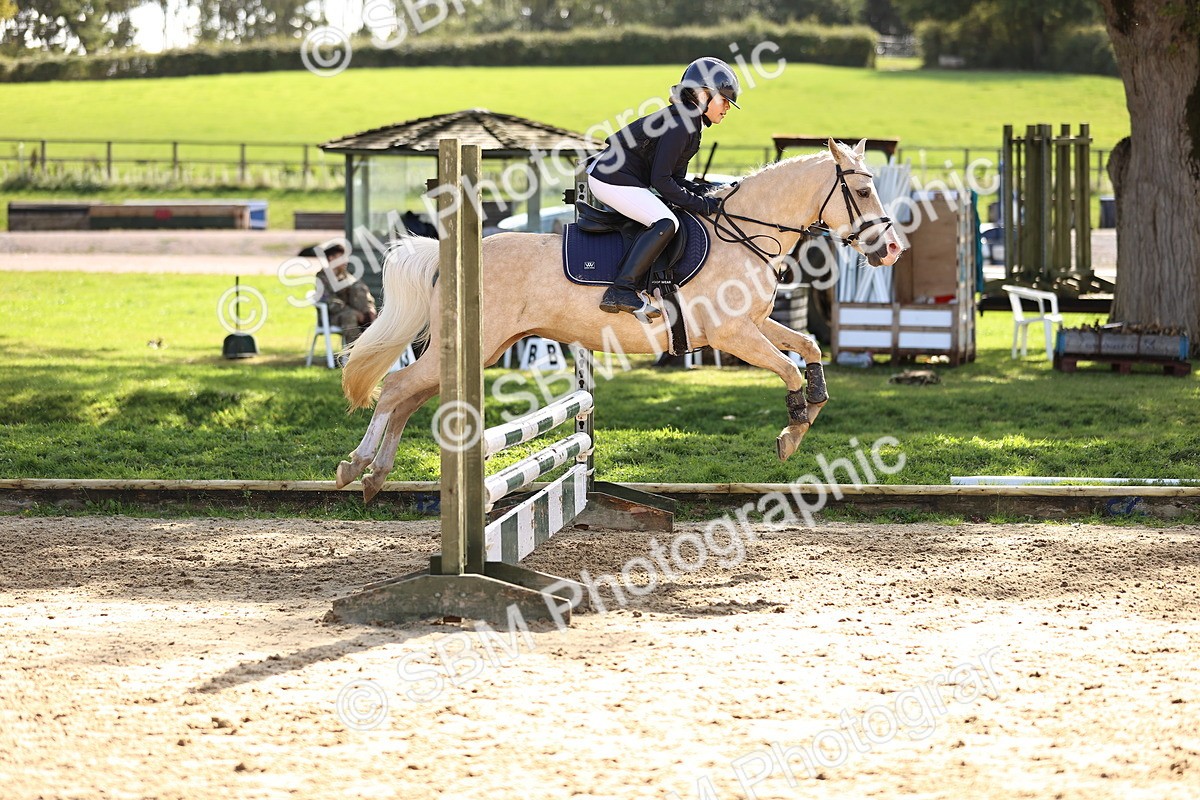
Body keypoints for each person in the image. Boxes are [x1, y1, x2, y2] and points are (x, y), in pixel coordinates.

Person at [586, 56, 740, 319]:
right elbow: (661, 181)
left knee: (669, 216)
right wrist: (701, 204)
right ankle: (621, 289)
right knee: (666, 222)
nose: (727, 107)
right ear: (703, 94)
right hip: (610, 178)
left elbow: (676, 180)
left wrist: (712, 192)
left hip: (619, 177)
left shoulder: (690, 123)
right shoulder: (682, 124)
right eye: (724, 100)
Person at [314, 243, 376, 346]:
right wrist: (356, 313)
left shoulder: (345, 275)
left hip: (355, 313)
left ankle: (371, 346)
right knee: (350, 316)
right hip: (331, 317)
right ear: (331, 258)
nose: (346, 260)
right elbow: (330, 302)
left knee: (358, 288)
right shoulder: (322, 278)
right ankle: (353, 351)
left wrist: (370, 308)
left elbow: (364, 292)